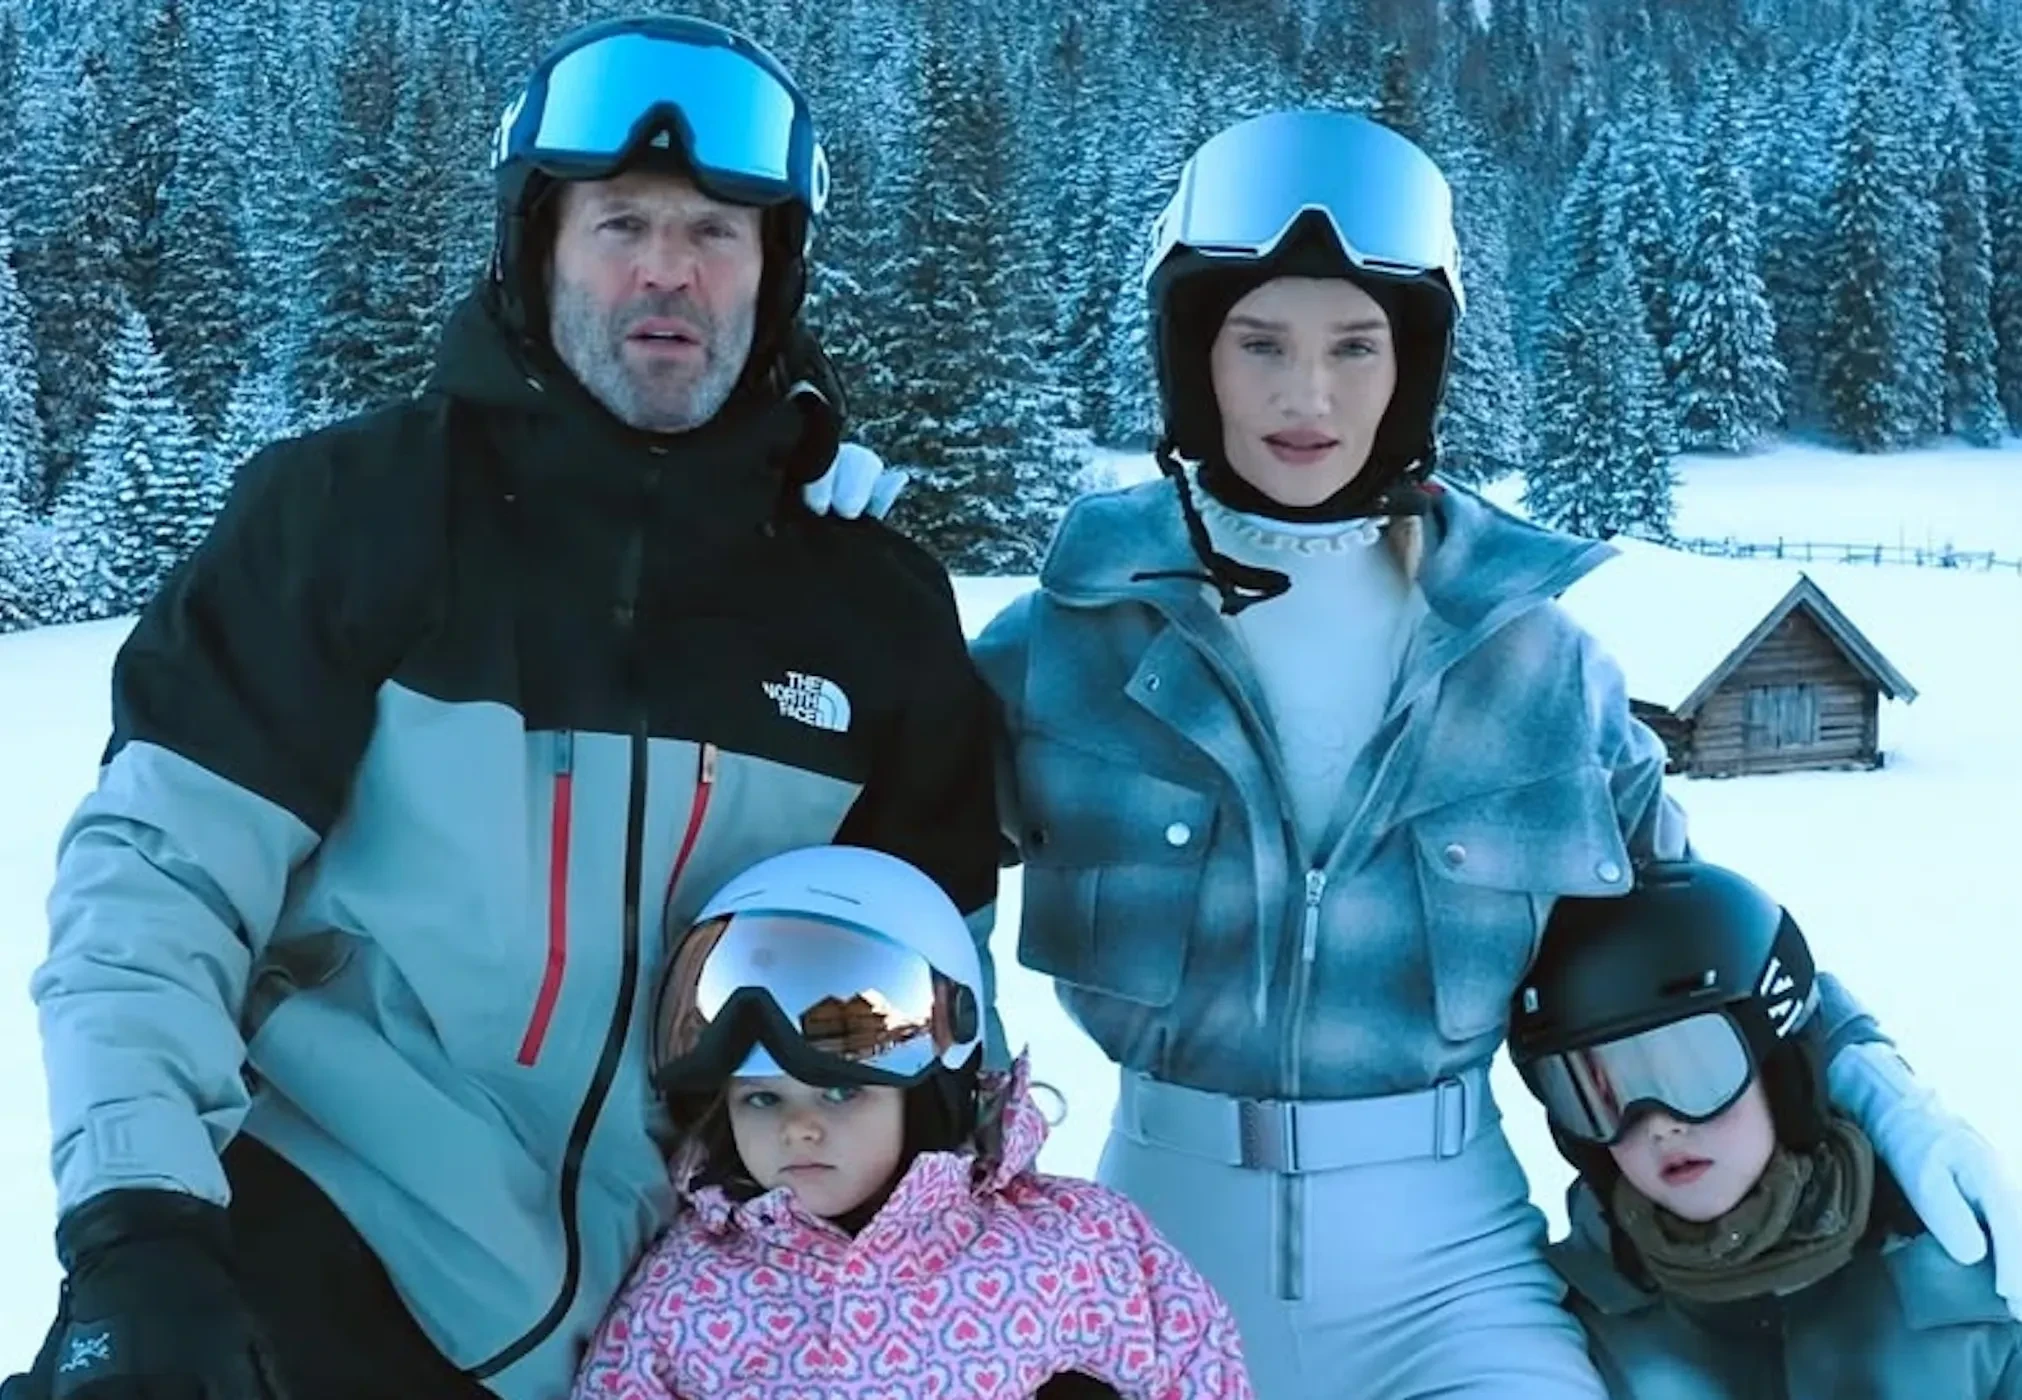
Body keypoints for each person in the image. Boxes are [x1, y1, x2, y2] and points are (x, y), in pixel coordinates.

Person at [8, 17, 1004, 1400]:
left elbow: (937, 1006)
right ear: (536, 246)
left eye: (716, 231)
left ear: (776, 271)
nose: (667, 268)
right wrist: (141, 1225)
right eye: (620, 223)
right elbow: (157, 886)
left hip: (707, 1314)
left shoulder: (870, 609)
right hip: (323, 1237)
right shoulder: (349, 519)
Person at [966, 108, 2020, 1397]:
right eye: (1262, 343)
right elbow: (888, 883)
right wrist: (804, 555)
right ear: (1196, 356)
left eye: (1356, 346)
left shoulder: (1533, 664)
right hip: (1152, 1251)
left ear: (1413, 364)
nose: (1309, 395)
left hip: (1447, 1265)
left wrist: (1874, 1075)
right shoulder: (1065, 638)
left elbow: (1694, 928)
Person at [571, 844, 1253, 1399]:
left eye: (840, 1094)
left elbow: (1194, 1359)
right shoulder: (689, 1289)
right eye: (762, 1099)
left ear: (928, 1097)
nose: (798, 1129)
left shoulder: (1067, 1247)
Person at [1509, 859, 2022, 1397]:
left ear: (1782, 1075)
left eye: (1695, 1073)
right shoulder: (1569, 1347)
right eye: (1601, 1097)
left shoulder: (1971, 1293)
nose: (1659, 1125)